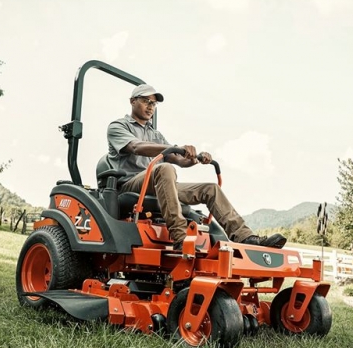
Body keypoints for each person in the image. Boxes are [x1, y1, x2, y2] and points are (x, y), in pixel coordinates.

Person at [106, 83, 287, 250]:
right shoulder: (118, 126)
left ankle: (245, 237)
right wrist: (177, 148)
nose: (150, 106)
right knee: (164, 169)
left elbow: (178, 160)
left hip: (159, 184)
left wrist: (194, 159)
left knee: (210, 189)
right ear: (132, 101)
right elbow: (136, 147)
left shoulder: (155, 134)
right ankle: (181, 237)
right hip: (130, 184)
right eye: (146, 101)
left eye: (153, 104)